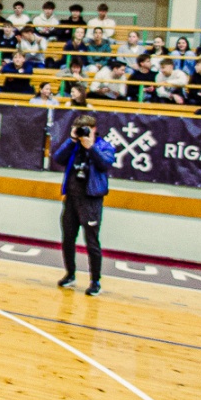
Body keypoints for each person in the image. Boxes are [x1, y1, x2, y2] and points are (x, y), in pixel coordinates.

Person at [53, 118, 118, 295]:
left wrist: (91, 147)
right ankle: (70, 274)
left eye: (86, 129)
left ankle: (95, 281)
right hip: (71, 198)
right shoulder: (74, 146)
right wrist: (71, 140)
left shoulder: (103, 146)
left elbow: (105, 163)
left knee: (91, 241)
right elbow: (58, 158)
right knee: (68, 238)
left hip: (91, 199)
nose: (83, 132)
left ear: (94, 129)